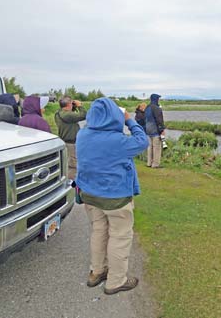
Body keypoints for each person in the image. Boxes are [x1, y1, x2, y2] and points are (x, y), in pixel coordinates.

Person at [76, 97, 149, 295]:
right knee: (120, 236)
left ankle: (96, 271)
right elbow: (143, 141)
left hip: (90, 194)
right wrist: (129, 120)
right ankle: (116, 281)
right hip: (115, 198)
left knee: (98, 231)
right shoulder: (119, 141)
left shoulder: (82, 135)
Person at [54, 96, 87, 180]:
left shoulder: (58, 113)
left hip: (64, 141)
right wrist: (79, 106)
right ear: (69, 104)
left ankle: (68, 178)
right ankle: (72, 182)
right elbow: (83, 115)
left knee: (67, 162)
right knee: (73, 165)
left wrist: (73, 107)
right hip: (71, 143)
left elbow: (72, 116)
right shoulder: (69, 115)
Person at [144, 94, 165, 168]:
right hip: (155, 130)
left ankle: (149, 163)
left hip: (148, 130)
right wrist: (162, 130)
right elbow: (159, 120)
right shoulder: (156, 108)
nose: (159, 100)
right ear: (156, 99)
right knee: (157, 147)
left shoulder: (147, 107)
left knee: (149, 147)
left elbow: (144, 119)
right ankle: (155, 164)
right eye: (158, 98)